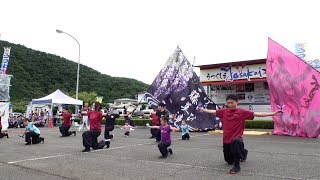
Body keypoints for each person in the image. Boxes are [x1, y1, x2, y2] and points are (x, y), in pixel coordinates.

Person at [200, 94, 282, 174]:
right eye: (228, 103)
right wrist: (204, 110)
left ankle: (237, 165)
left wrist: (273, 113)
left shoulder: (242, 112)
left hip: (237, 138)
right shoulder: (224, 111)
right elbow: (214, 112)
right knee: (228, 161)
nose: (230, 104)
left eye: (231, 103)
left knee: (236, 141)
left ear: (237, 102)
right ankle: (243, 152)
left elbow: (257, 114)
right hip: (226, 140)